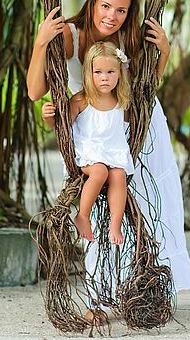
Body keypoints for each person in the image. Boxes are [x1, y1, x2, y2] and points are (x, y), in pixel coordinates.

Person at [27, 0, 190, 320]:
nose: (111, 16)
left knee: (151, 210)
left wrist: (163, 52)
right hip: (90, 134)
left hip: (136, 132)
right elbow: (34, 91)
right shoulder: (69, 36)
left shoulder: (129, 38)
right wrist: (40, 44)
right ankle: (99, 301)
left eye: (121, 10)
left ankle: (144, 289)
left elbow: (146, 87)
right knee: (96, 215)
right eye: (105, 6)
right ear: (92, 3)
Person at [41, 41, 133, 244]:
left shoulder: (122, 101)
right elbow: (62, 128)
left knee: (118, 175)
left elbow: (124, 126)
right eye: (98, 72)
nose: (105, 78)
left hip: (113, 151)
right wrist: (48, 117)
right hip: (88, 152)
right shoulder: (81, 100)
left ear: (120, 73)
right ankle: (83, 215)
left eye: (111, 72)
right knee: (100, 171)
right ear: (88, 74)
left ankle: (115, 224)